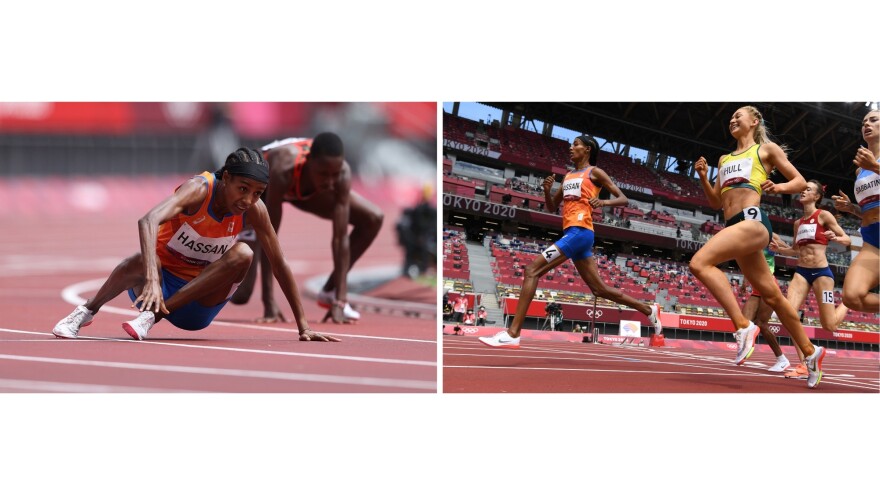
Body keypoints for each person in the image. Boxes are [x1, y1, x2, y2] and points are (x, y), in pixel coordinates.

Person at [52, 148, 338, 343]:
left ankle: (150, 318)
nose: (247, 200)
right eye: (242, 189)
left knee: (244, 253)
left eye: (257, 193)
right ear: (226, 178)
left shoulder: (255, 210)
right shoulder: (199, 189)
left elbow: (279, 262)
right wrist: (152, 280)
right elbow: (148, 220)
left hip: (197, 305)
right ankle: (85, 312)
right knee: (139, 259)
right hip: (156, 288)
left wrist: (304, 326)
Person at [479, 135, 661, 349]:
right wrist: (547, 191)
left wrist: (602, 201)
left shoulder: (595, 172)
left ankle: (513, 333)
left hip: (580, 232)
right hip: (574, 234)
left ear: (588, 149)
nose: (571, 147)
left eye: (576, 144)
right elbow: (550, 207)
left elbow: (623, 199)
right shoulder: (567, 177)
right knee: (600, 290)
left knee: (532, 270)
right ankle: (649, 311)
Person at [690, 105, 824, 388]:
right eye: (730, 118)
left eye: (738, 115)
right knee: (773, 296)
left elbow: (799, 181)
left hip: (753, 223)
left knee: (699, 263)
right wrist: (703, 176)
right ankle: (811, 353)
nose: (732, 120)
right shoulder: (724, 158)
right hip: (734, 228)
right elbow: (716, 202)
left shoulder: (766, 150)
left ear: (754, 120)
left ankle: (742, 326)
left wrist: (779, 188)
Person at [230, 133, 384, 324]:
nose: (329, 181)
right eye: (323, 174)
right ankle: (208, 264)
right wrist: (269, 301)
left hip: (302, 189)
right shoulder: (284, 168)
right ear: (309, 161)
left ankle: (330, 292)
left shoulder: (342, 174)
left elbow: (340, 238)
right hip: (261, 192)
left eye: (334, 174)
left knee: (373, 218)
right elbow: (270, 237)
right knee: (241, 295)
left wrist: (341, 299)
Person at [769, 181, 851, 378]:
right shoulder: (798, 223)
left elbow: (847, 239)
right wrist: (780, 249)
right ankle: (806, 363)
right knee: (789, 317)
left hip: (822, 273)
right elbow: (796, 251)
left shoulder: (823, 215)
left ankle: (849, 302)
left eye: (808, 189)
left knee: (829, 325)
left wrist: (836, 237)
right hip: (801, 273)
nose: (803, 191)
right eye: (803, 189)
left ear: (816, 197)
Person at [831, 109, 879, 315]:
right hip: (873, 239)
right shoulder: (860, 169)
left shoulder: (869, 165)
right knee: (852, 296)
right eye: (863, 122)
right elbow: (870, 209)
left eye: (874, 120)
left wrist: (876, 167)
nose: (867, 124)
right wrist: (851, 208)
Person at [738, 247, 790, 372]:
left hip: (768, 283)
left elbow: (789, 249)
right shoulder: (748, 242)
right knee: (742, 322)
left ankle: (782, 359)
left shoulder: (769, 237)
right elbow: (747, 263)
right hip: (756, 285)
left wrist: (779, 248)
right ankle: (743, 350)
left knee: (762, 324)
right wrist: (745, 282)